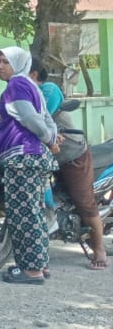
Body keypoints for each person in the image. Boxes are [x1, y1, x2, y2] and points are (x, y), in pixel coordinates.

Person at [0, 47, 59, 284]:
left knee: (24, 214)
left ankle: (31, 270)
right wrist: (51, 138)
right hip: (35, 157)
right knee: (35, 212)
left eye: (4, 61)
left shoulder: (16, 86)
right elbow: (47, 118)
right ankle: (40, 263)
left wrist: (49, 139)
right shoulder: (31, 85)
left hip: (23, 157)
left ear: (18, 63)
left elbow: (31, 118)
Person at [32, 66, 107, 271]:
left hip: (71, 155)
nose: (1, 68)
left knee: (84, 202)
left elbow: (38, 117)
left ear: (33, 73)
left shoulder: (48, 90)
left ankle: (99, 248)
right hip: (45, 156)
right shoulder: (19, 92)